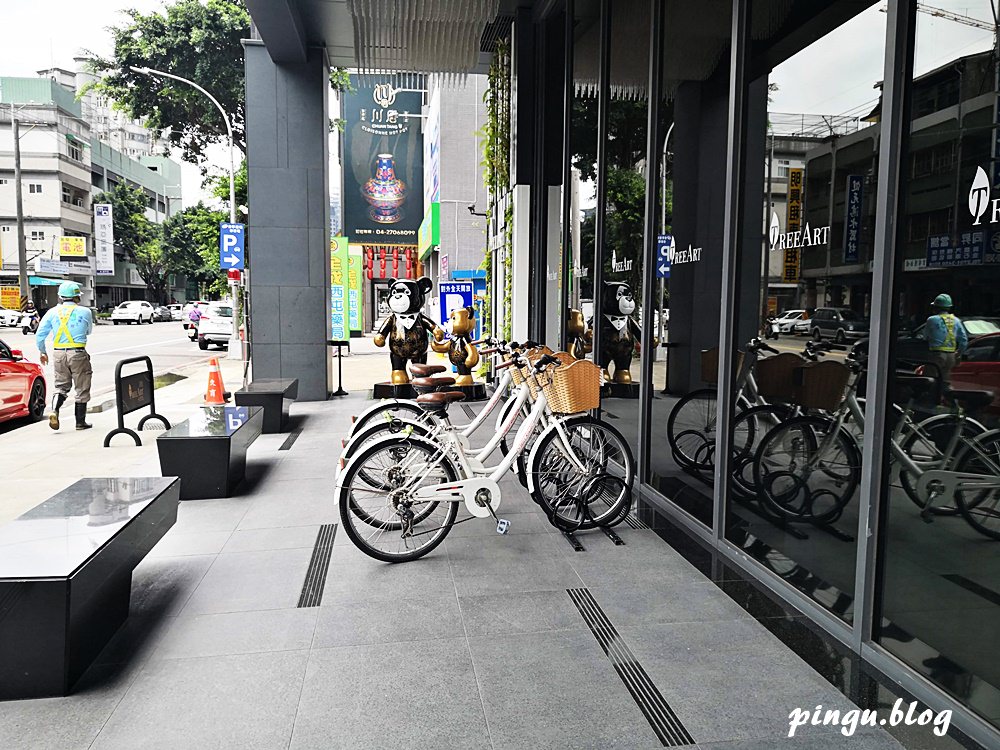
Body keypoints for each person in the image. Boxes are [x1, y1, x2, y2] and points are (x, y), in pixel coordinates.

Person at [35, 281, 94, 430]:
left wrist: (43, 352)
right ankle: (80, 422)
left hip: (58, 353)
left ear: (61, 297)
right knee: (81, 388)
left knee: (61, 386)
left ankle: (54, 410)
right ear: (76, 297)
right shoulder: (85, 312)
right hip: (78, 352)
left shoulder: (52, 312)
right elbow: (88, 332)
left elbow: (40, 335)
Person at [925, 293, 968, 389]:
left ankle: (930, 402)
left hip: (936, 355)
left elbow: (925, 337)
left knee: (929, 381)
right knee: (945, 382)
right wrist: (958, 353)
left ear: (935, 307)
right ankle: (951, 401)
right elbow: (964, 341)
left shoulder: (931, 320)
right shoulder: (956, 321)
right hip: (951, 356)